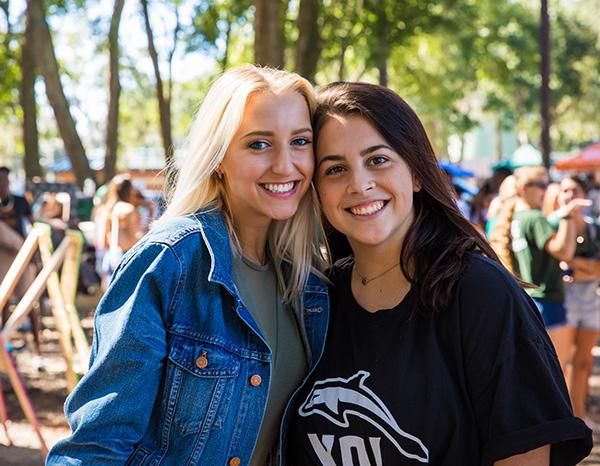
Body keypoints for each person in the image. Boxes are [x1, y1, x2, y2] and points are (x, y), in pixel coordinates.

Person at [285, 82, 592, 465]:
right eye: (335, 169)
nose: (359, 184)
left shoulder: (480, 293)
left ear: (415, 174)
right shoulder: (313, 301)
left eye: (378, 160)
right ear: (316, 191)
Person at [46, 65, 329, 465]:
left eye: (300, 141)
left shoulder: (309, 282)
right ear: (218, 158)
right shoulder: (169, 262)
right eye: (258, 145)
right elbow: (94, 447)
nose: (285, 165)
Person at [490, 167, 591, 366]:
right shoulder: (534, 218)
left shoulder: (517, 217)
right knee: (558, 370)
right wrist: (568, 217)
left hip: (530, 301)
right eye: (541, 185)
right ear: (523, 188)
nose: (547, 190)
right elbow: (564, 251)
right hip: (547, 300)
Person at [553, 176, 600, 427]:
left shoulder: (594, 228)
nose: (569, 195)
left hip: (591, 301)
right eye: (564, 190)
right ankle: (562, 418)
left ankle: (579, 415)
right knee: (562, 363)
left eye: (574, 190)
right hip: (564, 301)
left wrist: (574, 267)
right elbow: (559, 258)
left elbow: (594, 268)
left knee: (583, 362)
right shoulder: (554, 224)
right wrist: (587, 269)